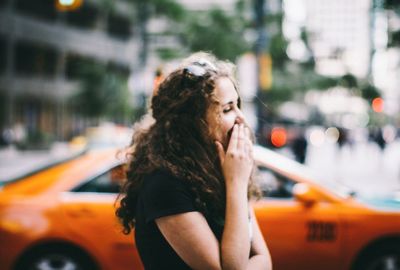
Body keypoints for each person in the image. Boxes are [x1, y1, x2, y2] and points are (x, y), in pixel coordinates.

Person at [116, 52, 272, 270]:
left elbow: (264, 259)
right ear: (193, 122)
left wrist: (235, 181)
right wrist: (236, 183)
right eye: (227, 109)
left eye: (238, 105)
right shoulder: (165, 184)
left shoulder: (220, 170)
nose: (241, 118)